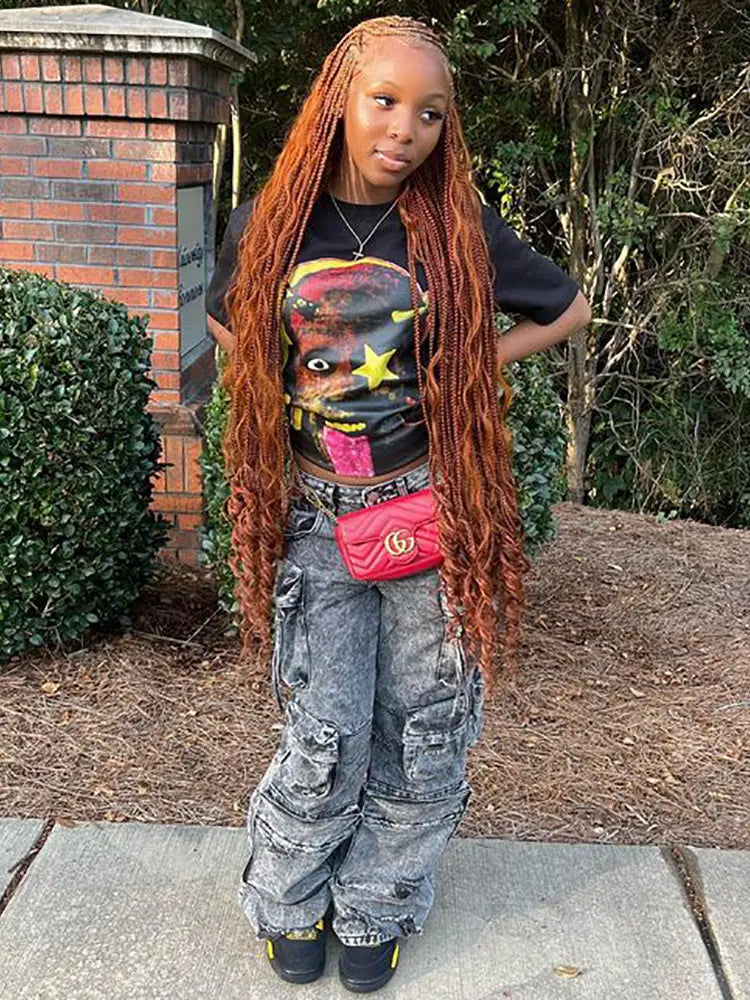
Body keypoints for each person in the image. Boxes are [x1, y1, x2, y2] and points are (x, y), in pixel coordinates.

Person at [206, 15, 591, 994]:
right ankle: (290, 898)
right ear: (339, 98)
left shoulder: (457, 229)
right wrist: (283, 392)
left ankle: (376, 904)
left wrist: (468, 366)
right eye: (385, 101)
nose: (405, 129)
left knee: (424, 727)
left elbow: (566, 309)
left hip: (429, 509)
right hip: (315, 516)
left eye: (430, 113)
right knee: (325, 730)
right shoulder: (271, 224)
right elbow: (227, 320)